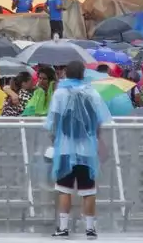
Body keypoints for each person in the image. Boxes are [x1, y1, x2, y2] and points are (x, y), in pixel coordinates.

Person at [47, 60, 112, 238]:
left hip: (66, 147)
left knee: (64, 189)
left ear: (66, 73)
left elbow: (53, 120)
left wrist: (54, 138)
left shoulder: (60, 92)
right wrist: (95, 138)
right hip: (87, 148)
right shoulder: (91, 92)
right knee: (88, 190)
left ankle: (63, 227)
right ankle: (90, 228)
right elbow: (99, 120)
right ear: (84, 73)